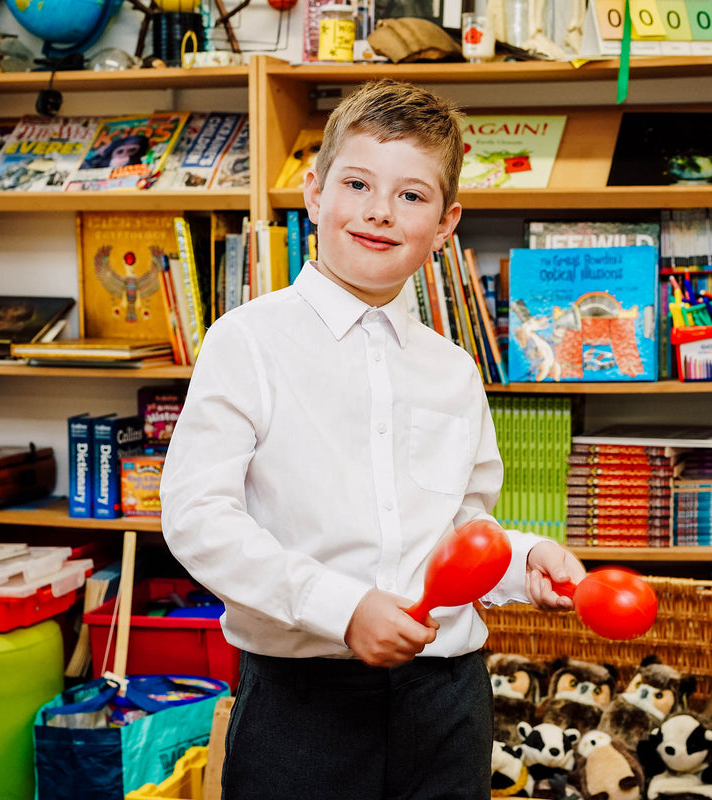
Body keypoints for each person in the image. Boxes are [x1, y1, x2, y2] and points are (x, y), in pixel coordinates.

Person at [160, 78, 587, 800]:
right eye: (357, 183)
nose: (380, 212)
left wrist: (522, 561)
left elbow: (460, 527)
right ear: (314, 193)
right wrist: (342, 606)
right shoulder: (248, 343)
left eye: (412, 196)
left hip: (446, 700)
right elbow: (198, 519)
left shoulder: (452, 370)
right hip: (302, 702)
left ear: (446, 224)